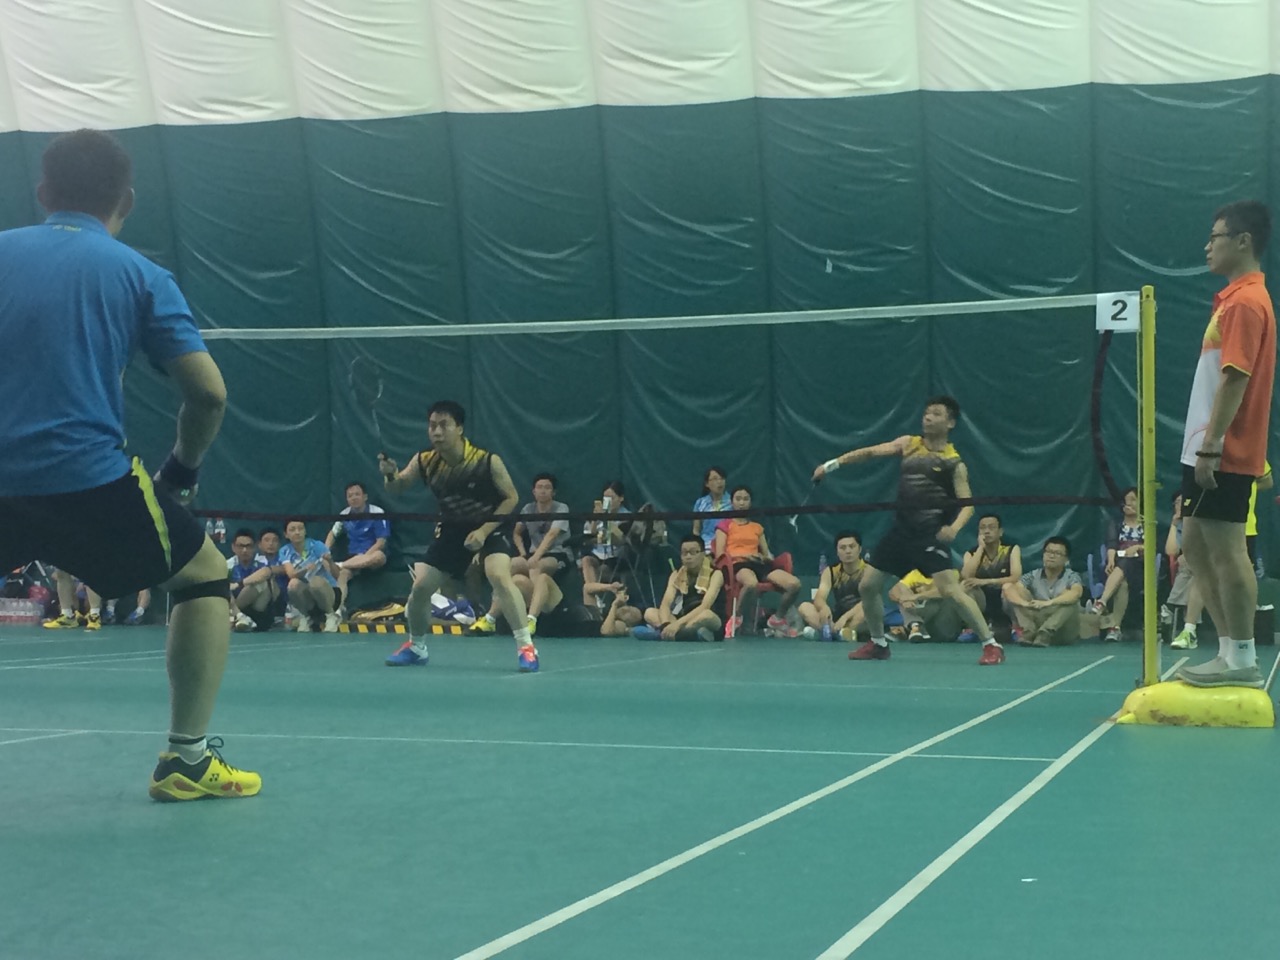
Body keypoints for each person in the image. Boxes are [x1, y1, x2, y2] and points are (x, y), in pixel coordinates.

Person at [0, 129, 259, 800]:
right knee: (204, 577)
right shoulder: (140, 275)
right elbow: (209, 394)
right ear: (128, 200)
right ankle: (187, 761)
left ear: (43, 193)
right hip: (86, 480)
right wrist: (182, 472)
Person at [813, 395, 1005, 665]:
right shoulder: (909, 444)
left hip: (929, 535)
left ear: (950, 423)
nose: (928, 417)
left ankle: (991, 645)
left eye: (936, 413)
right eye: (926, 413)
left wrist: (954, 528)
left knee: (951, 590)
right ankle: (879, 644)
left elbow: (968, 505)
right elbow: (870, 452)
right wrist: (832, 465)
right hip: (900, 533)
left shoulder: (953, 462)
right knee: (868, 585)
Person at [1177, 201, 1276, 688]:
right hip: (1203, 444)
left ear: (1243, 241)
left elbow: (1236, 377)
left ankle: (1243, 658)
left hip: (1222, 450)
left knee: (1229, 549)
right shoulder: (1232, 300)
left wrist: (1213, 444)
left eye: (1215, 237)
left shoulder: (1245, 303)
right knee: (1194, 547)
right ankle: (1227, 651)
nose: (1207, 246)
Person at [378, 400, 538, 671]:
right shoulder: (425, 460)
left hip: (491, 523)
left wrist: (483, 531)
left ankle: (526, 648)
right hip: (453, 528)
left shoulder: (486, 461)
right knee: (421, 589)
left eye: (444, 425)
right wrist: (391, 475)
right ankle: (416, 647)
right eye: (432, 426)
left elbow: (511, 497)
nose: (437, 432)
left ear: (460, 428)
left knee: (499, 575)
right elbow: (398, 488)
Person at [472, 472, 572, 636]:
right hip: (531, 555)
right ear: (533, 491)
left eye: (547, 488)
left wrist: (536, 556)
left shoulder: (561, 508)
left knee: (537, 567)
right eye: (539, 487)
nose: (543, 491)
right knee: (510, 566)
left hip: (557, 555)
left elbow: (552, 535)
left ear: (553, 492)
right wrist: (523, 553)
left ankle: (531, 619)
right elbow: (517, 533)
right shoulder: (528, 509)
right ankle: (490, 619)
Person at [712, 485, 801, 635]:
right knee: (751, 583)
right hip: (737, 565)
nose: (741, 502)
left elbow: (767, 555)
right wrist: (744, 556)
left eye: (745, 499)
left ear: (750, 502)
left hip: (759, 564)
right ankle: (737, 617)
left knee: (794, 584)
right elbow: (720, 553)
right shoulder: (724, 525)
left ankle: (777, 618)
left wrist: (762, 557)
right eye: (738, 499)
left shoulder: (757, 527)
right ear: (732, 502)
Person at [635, 535, 725, 641]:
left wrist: (677, 625)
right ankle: (686, 634)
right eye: (684, 553)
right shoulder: (676, 574)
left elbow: (705, 606)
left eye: (693, 552)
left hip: (709, 619)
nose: (688, 556)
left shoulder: (716, 574)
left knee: (706, 615)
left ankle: (662, 635)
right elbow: (666, 603)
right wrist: (666, 624)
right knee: (649, 612)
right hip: (684, 619)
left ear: (703, 554)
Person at [1002, 537, 1084, 647]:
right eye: (1048, 552)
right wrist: (1024, 603)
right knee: (1013, 590)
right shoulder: (1033, 575)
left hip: (1062, 629)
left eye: (1057, 553)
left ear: (1066, 560)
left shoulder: (1072, 576)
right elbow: (1010, 589)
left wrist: (1049, 603)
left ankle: (1046, 632)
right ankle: (1028, 632)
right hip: (1038, 623)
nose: (1051, 556)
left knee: (1070, 598)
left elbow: (1076, 592)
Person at [325, 481, 390, 611]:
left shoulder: (377, 512)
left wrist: (364, 557)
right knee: (343, 575)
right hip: (353, 559)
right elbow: (332, 534)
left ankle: (341, 565)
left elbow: (381, 542)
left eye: (357, 494)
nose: (354, 498)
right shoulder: (344, 515)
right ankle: (337, 610)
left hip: (372, 555)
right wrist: (325, 550)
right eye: (350, 496)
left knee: (378, 556)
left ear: (365, 496)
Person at [1091, 487, 1143, 643]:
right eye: (1126, 500)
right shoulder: (1116, 523)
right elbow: (1112, 543)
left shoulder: (1148, 524)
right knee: (1122, 585)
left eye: (1133, 500)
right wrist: (1111, 560)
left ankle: (1102, 601)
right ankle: (1115, 629)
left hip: (1141, 568)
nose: (1129, 504)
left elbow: (1155, 547)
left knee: (1128, 562)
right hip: (1119, 566)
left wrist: (1138, 547)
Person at [959, 513, 1021, 639]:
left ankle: (1016, 628)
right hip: (982, 598)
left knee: (1011, 587)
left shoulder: (1011, 549)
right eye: (982, 528)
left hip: (1003, 596)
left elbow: (1015, 576)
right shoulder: (971, 553)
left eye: (991, 527)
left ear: (1000, 532)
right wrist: (980, 548)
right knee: (964, 586)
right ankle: (972, 627)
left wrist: (986, 581)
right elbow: (966, 575)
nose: (986, 531)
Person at [798, 531, 867, 641]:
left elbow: (868, 600)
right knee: (804, 607)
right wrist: (823, 607)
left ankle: (827, 633)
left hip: (857, 615)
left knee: (868, 609)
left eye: (852, 546)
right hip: (837, 616)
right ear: (837, 552)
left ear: (859, 549)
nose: (848, 551)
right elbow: (820, 597)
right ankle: (835, 633)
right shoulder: (830, 571)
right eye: (843, 548)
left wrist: (845, 617)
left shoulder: (869, 570)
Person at [279, 519, 340, 632]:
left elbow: (336, 575)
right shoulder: (285, 551)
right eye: (292, 529)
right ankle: (306, 617)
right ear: (286, 534)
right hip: (308, 598)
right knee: (293, 584)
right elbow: (291, 574)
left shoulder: (317, 546)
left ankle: (331, 616)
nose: (297, 532)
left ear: (305, 531)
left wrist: (330, 562)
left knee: (315, 581)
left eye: (300, 529)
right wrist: (306, 569)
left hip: (329, 593)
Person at [580, 481, 630, 607]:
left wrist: (607, 518)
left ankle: (593, 599)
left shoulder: (627, 517)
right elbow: (588, 536)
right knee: (586, 560)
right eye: (605, 498)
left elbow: (621, 539)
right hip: (598, 554)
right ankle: (595, 598)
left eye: (611, 498)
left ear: (621, 498)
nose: (608, 502)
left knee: (600, 570)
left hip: (616, 558)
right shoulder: (598, 514)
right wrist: (596, 519)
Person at [888, 569, 964, 643]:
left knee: (938, 600)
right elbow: (895, 590)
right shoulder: (916, 573)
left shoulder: (951, 573)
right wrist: (904, 599)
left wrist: (916, 596)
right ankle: (915, 627)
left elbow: (948, 591)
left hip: (946, 628)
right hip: (926, 621)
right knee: (903, 595)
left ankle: (908, 629)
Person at [227, 527, 278, 632]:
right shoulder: (228, 565)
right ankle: (239, 616)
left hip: (258, 609)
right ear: (233, 547)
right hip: (235, 607)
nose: (244, 550)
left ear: (254, 548)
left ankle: (240, 617)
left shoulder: (262, 560)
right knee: (222, 586)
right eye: (240, 546)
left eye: (248, 546)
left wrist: (239, 584)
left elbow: (266, 572)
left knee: (263, 582)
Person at [692, 466, 731, 553]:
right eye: (715, 479)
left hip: (728, 544)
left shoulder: (732, 502)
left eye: (722, 478)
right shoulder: (700, 503)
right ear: (707, 484)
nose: (719, 482)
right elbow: (696, 530)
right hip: (706, 545)